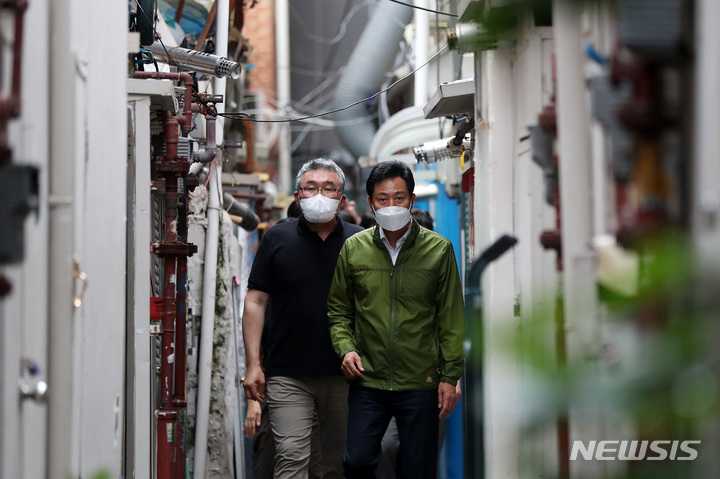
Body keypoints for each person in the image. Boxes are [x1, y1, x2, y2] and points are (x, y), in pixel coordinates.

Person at [328, 160, 465, 479]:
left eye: (399, 197)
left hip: (421, 382)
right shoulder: (354, 249)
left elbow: (451, 317)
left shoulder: (439, 250)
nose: (391, 205)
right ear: (371, 203)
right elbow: (338, 309)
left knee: (418, 468)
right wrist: (346, 349)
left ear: (412, 200)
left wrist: (450, 375)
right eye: (383, 198)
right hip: (368, 380)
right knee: (357, 462)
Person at [243, 158, 363, 478]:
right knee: (292, 459)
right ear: (298, 196)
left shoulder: (361, 241)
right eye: (310, 187)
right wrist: (253, 364)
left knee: (336, 465)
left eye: (328, 188)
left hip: (346, 374)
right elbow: (255, 300)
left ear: (341, 198)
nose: (319, 194)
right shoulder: (276, 239)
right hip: (288, 374)